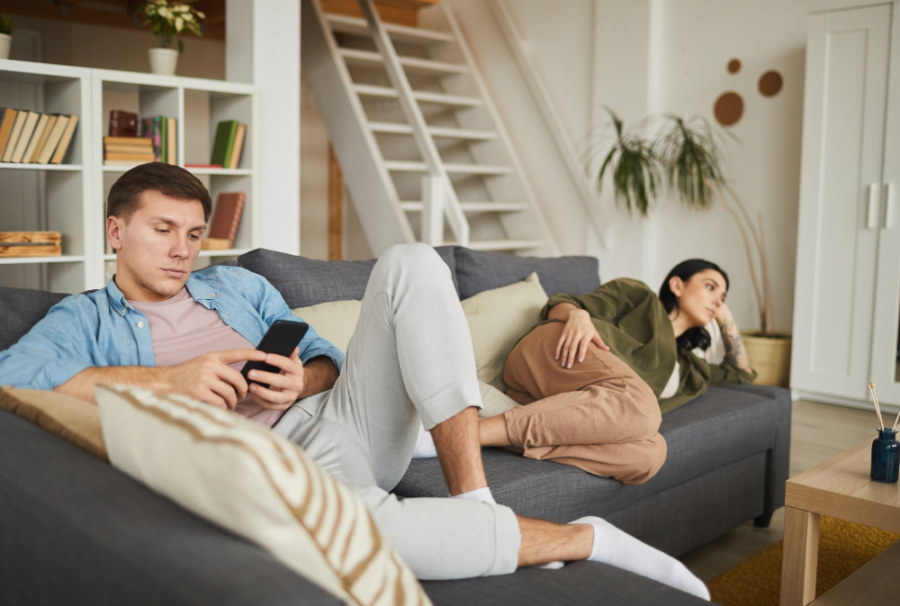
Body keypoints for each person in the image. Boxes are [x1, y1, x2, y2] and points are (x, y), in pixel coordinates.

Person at [0, 163, 709, 599]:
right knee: (361, 537)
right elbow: (13, 380)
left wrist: (297, 380)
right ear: (116, 231)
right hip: (263, 464)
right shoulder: (84, 319)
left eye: (193, 233)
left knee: (410, 260)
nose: (183, 250)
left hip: (337, 421)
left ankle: (475, 498)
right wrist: (172, 383)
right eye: (163, 230)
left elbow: (324, 358)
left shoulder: (235, 286)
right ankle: (589, 540)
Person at [474, 261, 756, 484]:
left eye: (723, 296)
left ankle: (504, 435)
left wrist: (726, 318)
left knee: (651, 454)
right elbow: (560, 302)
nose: (718, 300)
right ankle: (471, 434)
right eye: (710, 287)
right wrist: (577, 315)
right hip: (555, 353)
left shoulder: (691, 369)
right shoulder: (641, 297)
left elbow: (741, 373)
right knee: (644, 406)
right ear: (677, 285)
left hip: (555, 407)